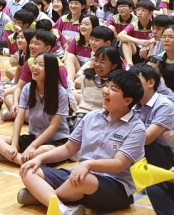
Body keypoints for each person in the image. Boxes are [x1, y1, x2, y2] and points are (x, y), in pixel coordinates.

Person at [19, 69, 145, 214]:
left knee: (82, 180)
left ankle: (41, 196)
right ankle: (62, 209)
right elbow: (68, 148)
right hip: (78, 175)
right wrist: (39, 158)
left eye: (113, 89)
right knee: (29, 170)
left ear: (127, 101)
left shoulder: (137, 128)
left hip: (115, 187)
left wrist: (88, 164)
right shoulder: (91, 117)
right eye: (107, 86)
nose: (105, 91)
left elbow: (119, 164)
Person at [0, 53, 69, 165]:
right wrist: (14, 145)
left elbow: (53, 127)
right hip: (34, 136)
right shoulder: (28, 88)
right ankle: (23, 160)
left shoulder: (61, 93)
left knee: (44, 150)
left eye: (41, 65)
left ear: (50, 70)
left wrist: (32, 147)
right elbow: (19, 118)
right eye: (34, 63)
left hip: (56, 140)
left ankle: (12, 157)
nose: (35, 67)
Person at [129, 64, 174, 169]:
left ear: (151, 83)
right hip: (144, 152)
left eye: (136, 82)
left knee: (139, 141)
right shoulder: (133, 104)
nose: (130, 86)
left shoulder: (164, 105)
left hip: (168, 157)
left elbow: (147, 139)